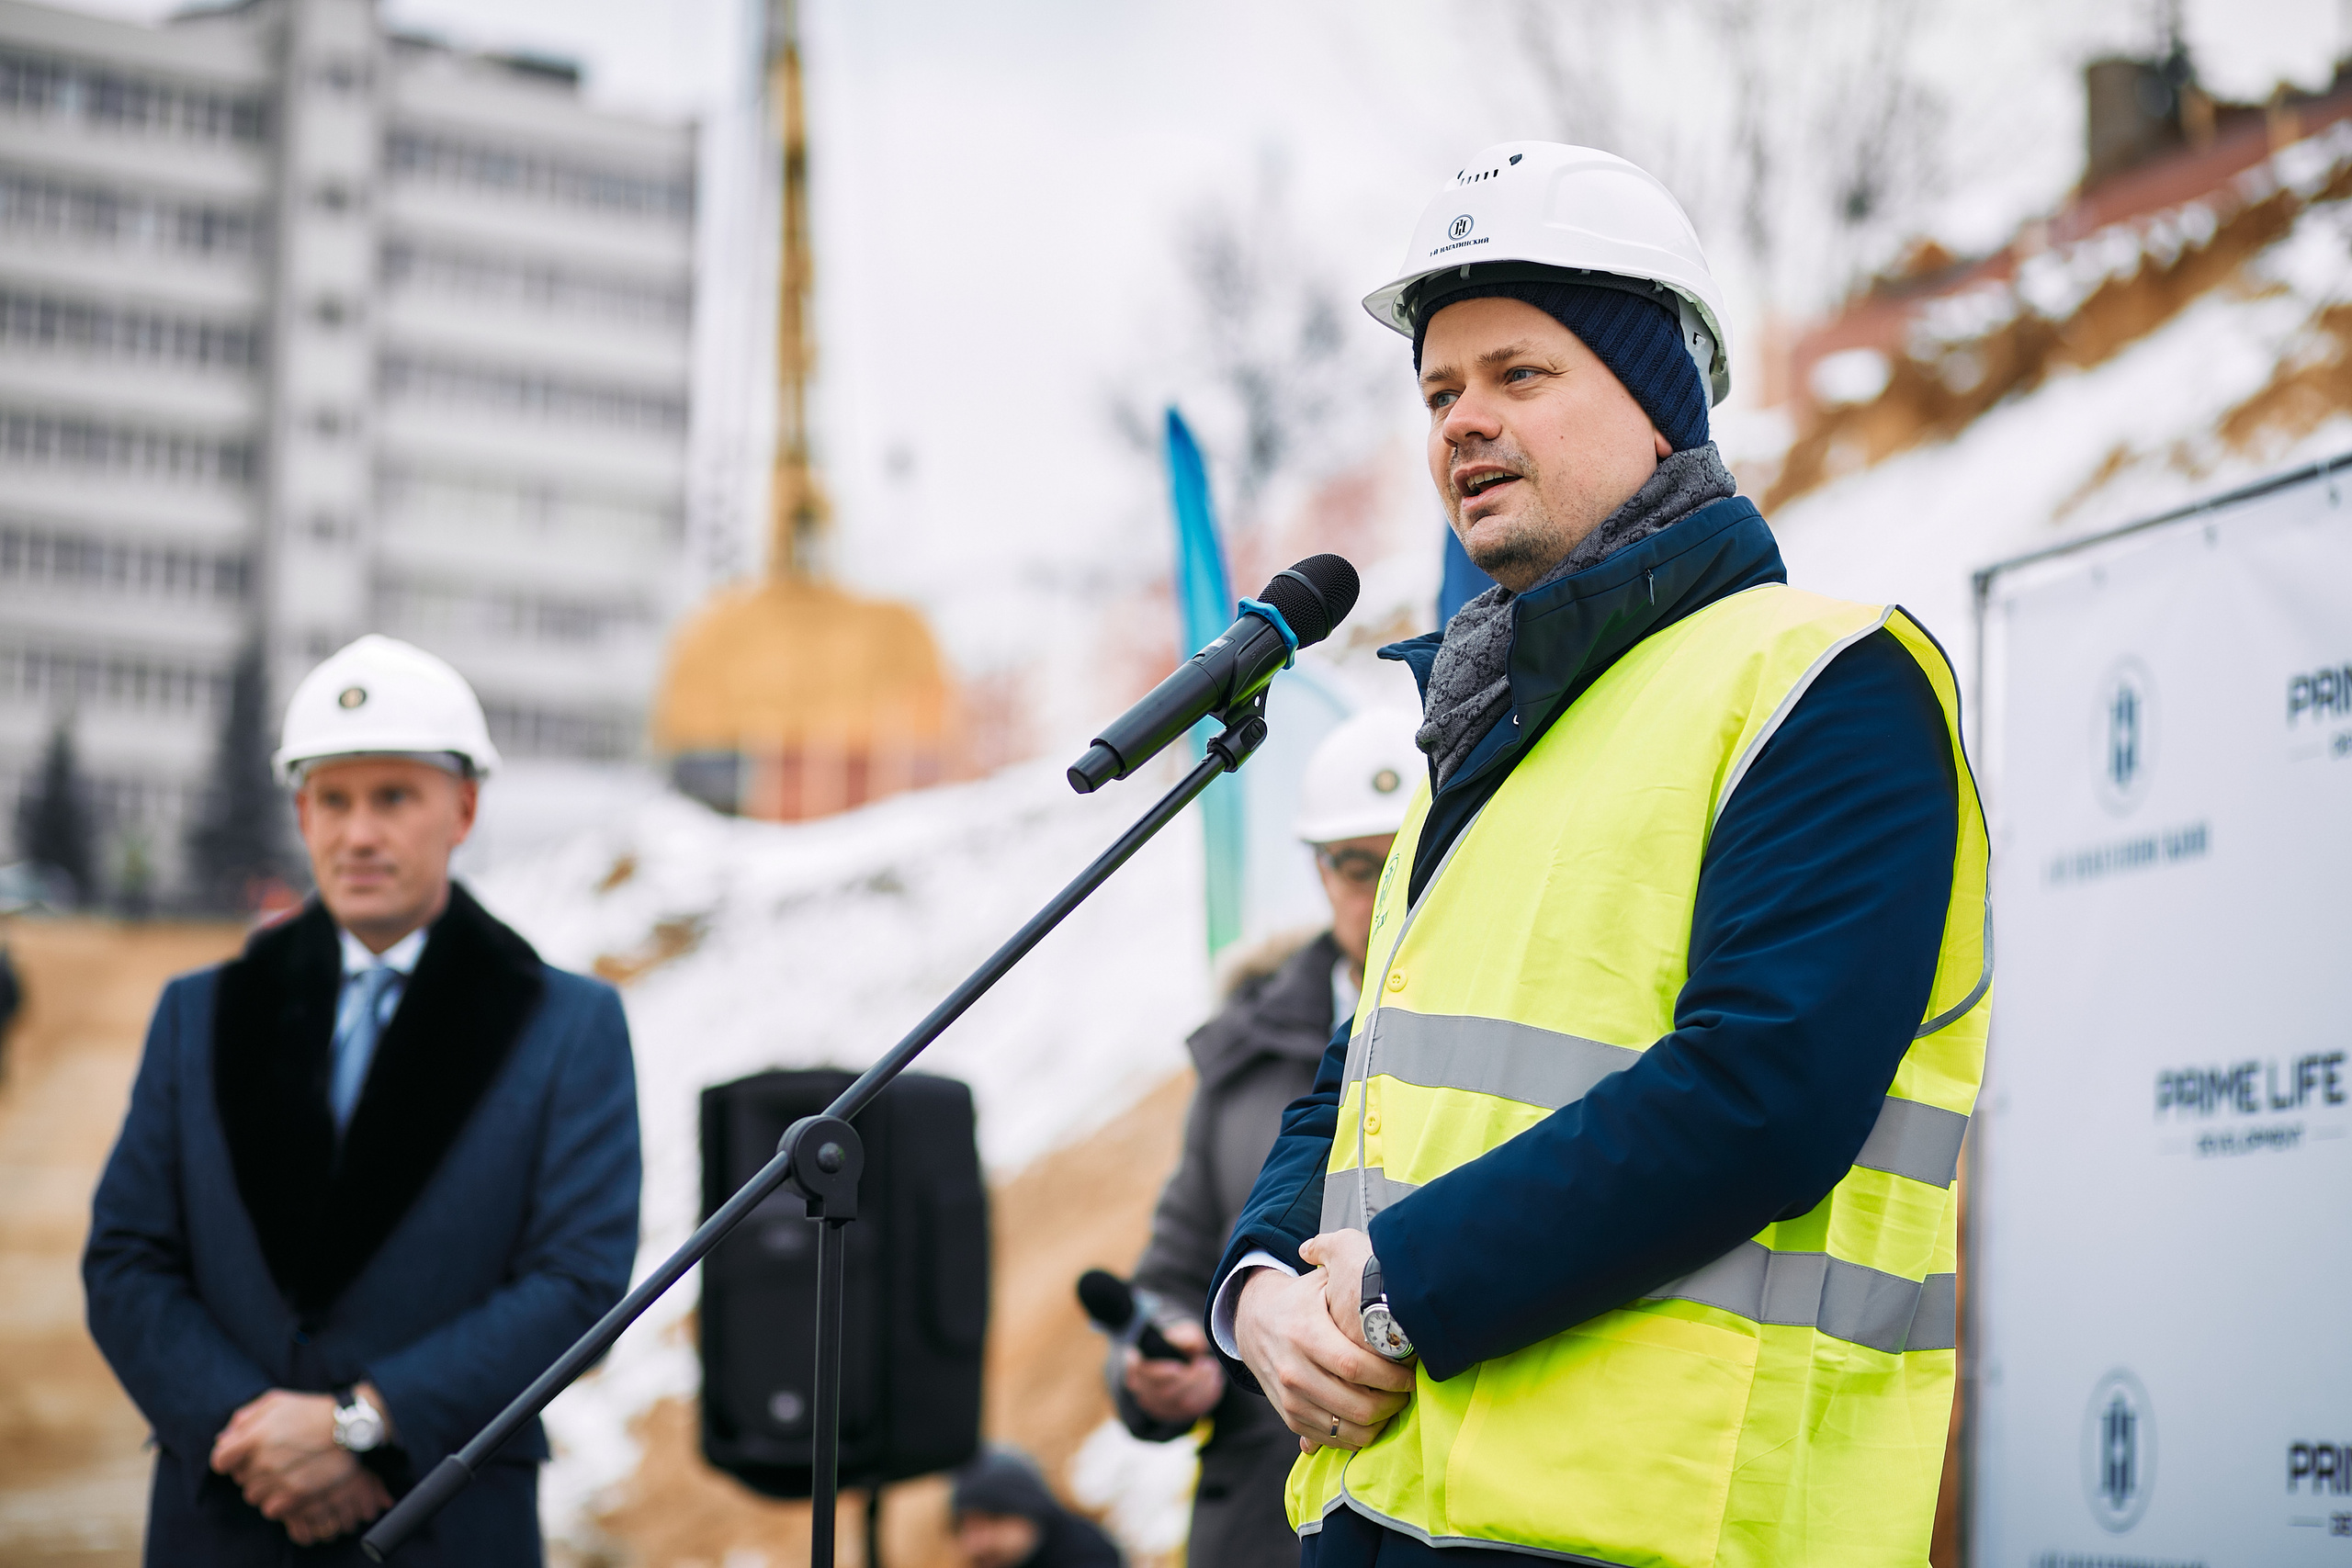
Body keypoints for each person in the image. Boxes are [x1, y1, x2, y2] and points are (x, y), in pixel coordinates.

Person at [1208, 141, 1990, 1568]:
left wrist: (1399, 1288)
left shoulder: (1823, 684)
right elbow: (1365, 1065)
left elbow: (1762, 1090)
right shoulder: (1486, 725)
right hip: (1390, 1518)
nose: (1464, 420)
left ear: (1657, 404)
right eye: (1439, 391)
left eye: (1520, 373)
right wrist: (1259, 1288)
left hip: (1677, 1530)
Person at [84, 635, 642, 1564]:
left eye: (393, 797)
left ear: (464, 808)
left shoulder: (565, 1025)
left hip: (443, 1517)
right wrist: (255, 1433)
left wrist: (364, 1420)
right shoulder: (200, 1013)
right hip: (224, 1516)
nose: (358, 835)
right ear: (301, 812)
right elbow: (127, 1258)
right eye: (332, 800)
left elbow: (577, 1283)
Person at [1106, 710, 1422, 1568]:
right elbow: (1173, 1274)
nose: (1381, 889)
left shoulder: (1503, 1036)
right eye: (1357, 864)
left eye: (1404, 856)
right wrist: (1164, 1360)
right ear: (1319, 869)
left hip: (1431, 1514)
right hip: (1257, 1527)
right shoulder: (1242, 1052)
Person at [949, 1447, 1123, 1568]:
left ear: (1032, 1511)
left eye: (993, 1520)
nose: (976, 1545)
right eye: (966, 1528)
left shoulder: (1089, 1556)